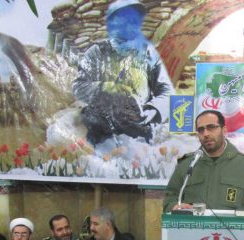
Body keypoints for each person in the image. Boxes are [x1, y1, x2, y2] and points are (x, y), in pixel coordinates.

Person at [72, 0, 173, 153]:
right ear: (112, 23)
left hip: (139, 128)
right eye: (124, 18)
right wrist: (105, 87)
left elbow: (167, 90)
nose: (130, 24)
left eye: (134, 19)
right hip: (103, 131)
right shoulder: (97, 52)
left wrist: (153, 110)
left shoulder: (147, 53)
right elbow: (78, 87)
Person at [163, 110, 244, 220]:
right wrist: (174, 206)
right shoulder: (186, 165)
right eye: (201, 130)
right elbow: (170, 198)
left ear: (224, 130)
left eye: (211, 127)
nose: (206, 133)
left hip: (234, 234)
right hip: (192, 233)